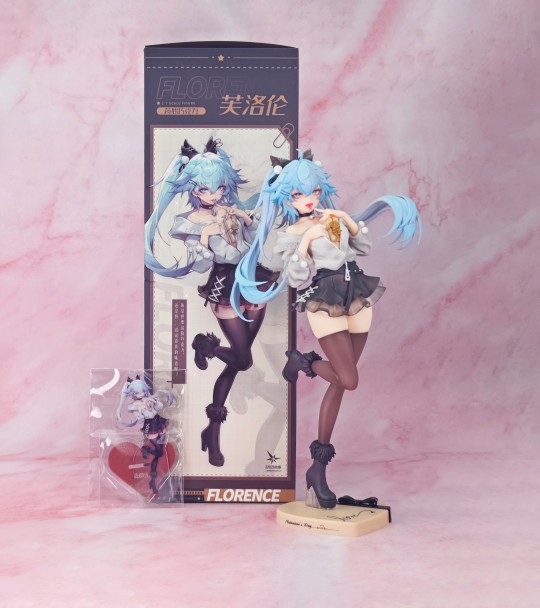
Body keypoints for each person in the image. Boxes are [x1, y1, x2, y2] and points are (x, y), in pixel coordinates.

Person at [233, 150, 421, 508]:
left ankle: (317, 470)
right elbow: (296, 278)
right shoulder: (290, 233)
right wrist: (306, 241)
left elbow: (361, 248)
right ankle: (303, 361)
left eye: (314, 192)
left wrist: (346, 222)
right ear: (286, 197)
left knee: (340, 383)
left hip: (358, 297)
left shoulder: (332, 219)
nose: (308, 199)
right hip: (325, 300)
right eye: (298, 194)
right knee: (348, 378)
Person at [145, 136, 277, 467]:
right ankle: (206, 345)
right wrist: (204, 237)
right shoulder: (188, 222)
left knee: (237, 363)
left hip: (253, 280)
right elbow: (201, 267)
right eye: (205, 189)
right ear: (192, 188)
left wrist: (247, 220)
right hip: (224, 285)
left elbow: (252, 245)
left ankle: (212, 431)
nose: (213, 195)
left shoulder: (230, 208)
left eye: (218, 188)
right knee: (242, 359)